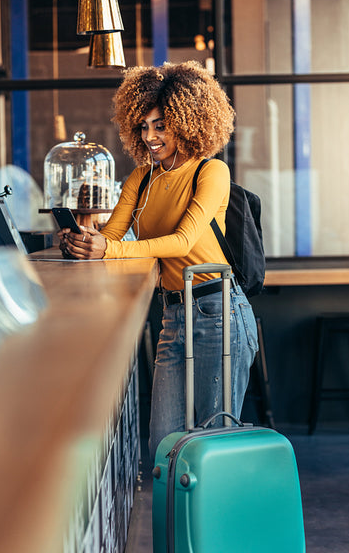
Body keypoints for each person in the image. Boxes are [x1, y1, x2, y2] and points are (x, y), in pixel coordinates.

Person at [57, 60, 258, 462]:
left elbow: (183, 241)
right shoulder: (141, 178)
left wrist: (107, 249)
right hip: (172, 316)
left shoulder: (211, 171)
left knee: (211, 446)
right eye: (144, 126)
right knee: (162, 446)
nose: (150, 136)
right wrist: (82, 241)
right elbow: (111, 237)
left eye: (161, 125)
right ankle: (175, 527)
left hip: (218, 311)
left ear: (188, 122)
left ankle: (209, 527)